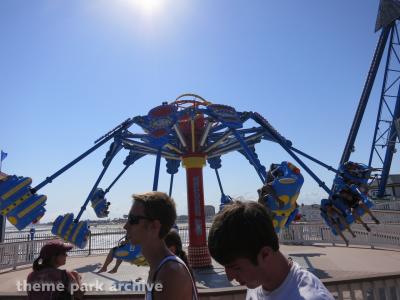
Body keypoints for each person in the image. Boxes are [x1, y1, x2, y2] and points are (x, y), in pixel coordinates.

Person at [208, 201, 334, 300]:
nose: (229, 277)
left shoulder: (312, 297)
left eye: (235, 267)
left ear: (265, 254)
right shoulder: (257, 283)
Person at [123, 191, 198, 300]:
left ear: (154, 226)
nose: (125, 226)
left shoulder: (170, 273)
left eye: (133, 219)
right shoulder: (160, 267)